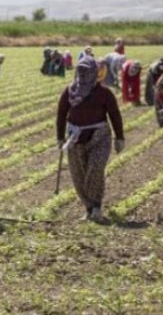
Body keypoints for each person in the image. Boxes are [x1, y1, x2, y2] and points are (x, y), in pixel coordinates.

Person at [57, 58, 125, 223]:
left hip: (99, 137)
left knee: (95, 169)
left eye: (87, 71)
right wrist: (60, 137)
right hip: (75, 139)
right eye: (81, 71)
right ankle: (88, 209)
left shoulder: (104, 93)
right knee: (78, 175)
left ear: (95, 72)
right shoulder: (70, 91)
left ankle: (96, 207)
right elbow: (61, 114)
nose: (83, 74)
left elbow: (115, 115)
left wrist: (119, 137)